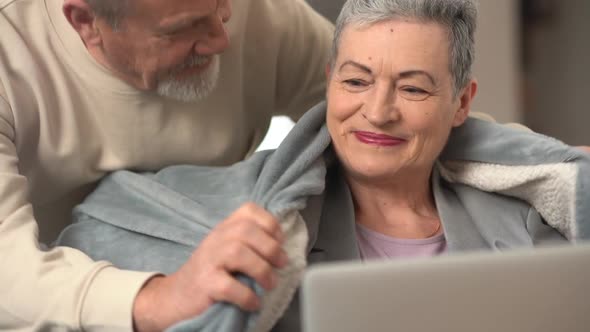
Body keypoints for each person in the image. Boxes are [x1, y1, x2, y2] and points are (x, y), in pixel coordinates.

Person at [52, 0, 590, 331]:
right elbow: (99, 226)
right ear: (328, 78)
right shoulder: (242, 215)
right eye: (355, 81)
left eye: (413, 87)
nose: (377, 111)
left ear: (462, 103)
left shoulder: (523, 220)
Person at [0, 0, 334, 330]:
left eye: (222, 8)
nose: (221, 40)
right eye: (181, 29)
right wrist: (160, 299)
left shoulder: (261, 11)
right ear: (85, 21)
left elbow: (359, 107)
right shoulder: (9, 47)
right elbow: (9, 271)